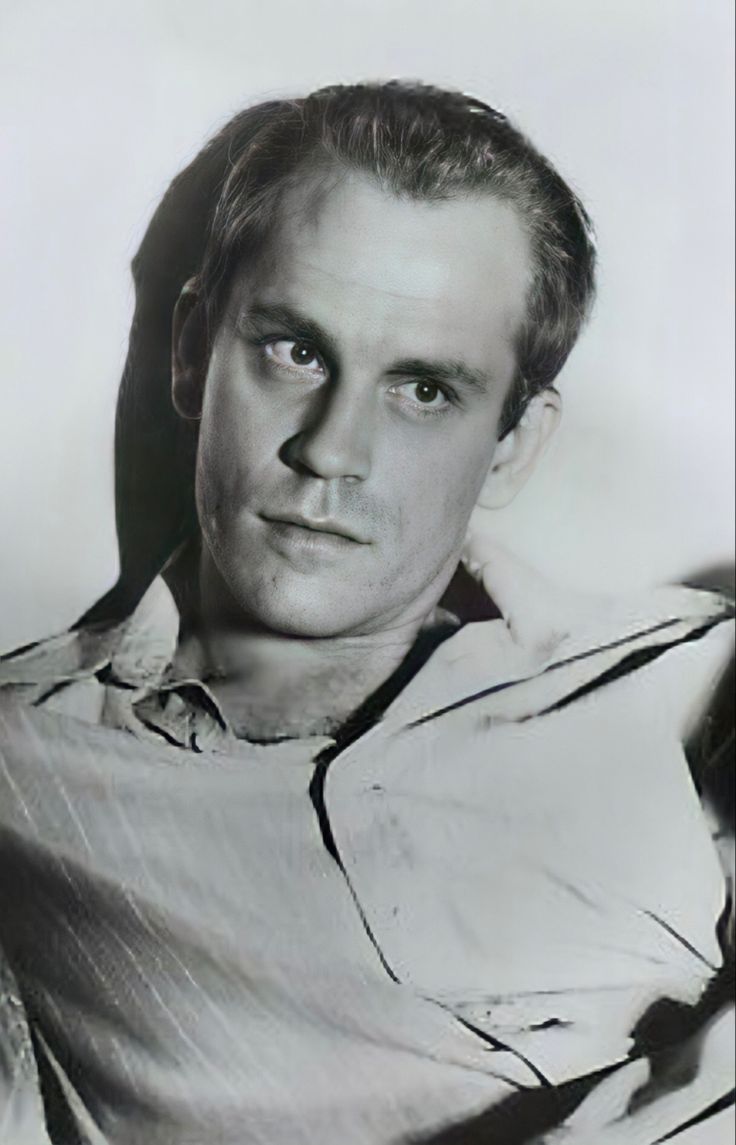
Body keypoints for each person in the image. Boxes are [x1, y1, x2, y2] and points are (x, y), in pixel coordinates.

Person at [0, 81, 733, 1145]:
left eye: (422, 389)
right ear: (192, 348)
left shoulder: (682, 676)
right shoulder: (28, 770)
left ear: (515, 443)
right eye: (295, 350)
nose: (330, 452)